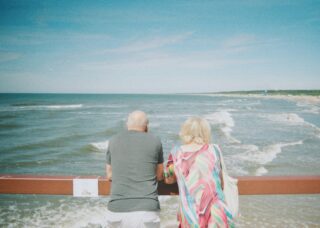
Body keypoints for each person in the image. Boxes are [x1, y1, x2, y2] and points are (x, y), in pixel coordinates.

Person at [164, 117, 234, 227]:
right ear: (206, 132)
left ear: (185, 132)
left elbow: (169, 180)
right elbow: (221, 180)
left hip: (191, 214)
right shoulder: (215, 149)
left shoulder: (177, 152)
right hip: (217, 212)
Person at [105, 110, 164, 228]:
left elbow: (109, 175)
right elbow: (159, 175)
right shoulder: (155, 140)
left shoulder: (113, 140)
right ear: (147, 126)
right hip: (147, 210)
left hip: (117, 208)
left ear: (127, 124)